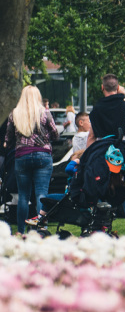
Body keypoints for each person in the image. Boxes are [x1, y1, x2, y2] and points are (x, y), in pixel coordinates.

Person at [90, 74, 125, 235]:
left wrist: (88, 156)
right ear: (118, 87)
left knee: (101, 187)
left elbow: (92, 135)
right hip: (124, 152)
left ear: (102, 88)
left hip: (102, 153)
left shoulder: (97, 109)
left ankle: (100, 223)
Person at [6, 85, 58, 233]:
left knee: (23, 195)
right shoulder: (45, 113)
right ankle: (42, 229)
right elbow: (55, 133)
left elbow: (8, 138)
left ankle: (21, 231)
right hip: (43, 156)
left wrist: (10, 143)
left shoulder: (14, 114)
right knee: (41, 194)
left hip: (22, 156)